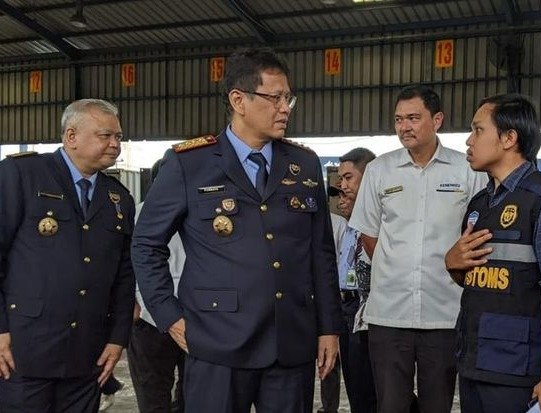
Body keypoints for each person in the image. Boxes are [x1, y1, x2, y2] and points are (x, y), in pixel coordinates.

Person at [131, 48, 343, 413]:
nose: (285, 107)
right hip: (217, 343)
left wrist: (329, 328)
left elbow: (320, 253)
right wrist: (169, 316)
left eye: (288, 97)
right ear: (238, 100)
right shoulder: (189, 164)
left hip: (290, 343)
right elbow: (146, 244)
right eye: (274, 97)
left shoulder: (304, 164)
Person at [445, 93, 541, 413]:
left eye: (478, 130)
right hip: (475, 360)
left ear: (509, 138)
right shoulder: (480, 204)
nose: (469, 140)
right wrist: (451, 263)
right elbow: (477, 276)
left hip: (520, 369)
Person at [349, 85, 486, 413]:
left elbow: (479, 234)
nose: (404, 127)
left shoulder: (466, 170)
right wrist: (396, 267)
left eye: (413, 118)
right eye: (398, 119)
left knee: (436, 405)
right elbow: (369, 234)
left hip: (444, 313)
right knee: (390, 405)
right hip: (388, 314)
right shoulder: (380, 170)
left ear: (437, 120)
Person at [0, 98, 135, 412]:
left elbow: (124, 275)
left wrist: (118, 339)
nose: (116, 144)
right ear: (71, 136)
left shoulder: (118, 198)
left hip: (87, 357)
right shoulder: (23, 175)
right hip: (23, 350)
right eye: (106, 136)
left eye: (118, 137)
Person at [128, 156, 186, 413]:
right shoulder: (135, 213)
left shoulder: (139, 211)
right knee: (160, 391)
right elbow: (122, 263)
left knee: (157, 391)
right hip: (150, 317)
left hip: (179, 315)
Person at [333, 148, 378, 413]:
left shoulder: (379, 221)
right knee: (355, 390)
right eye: (341, 179)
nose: (343, 185)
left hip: (369, 314)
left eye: (349, 178)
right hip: (347, 310)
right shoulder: (350, 225)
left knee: (371, 390)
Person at [319, 208, 347, 413]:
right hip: (304, 301)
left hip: (331, 297)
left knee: (329, 358)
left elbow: (341, 263)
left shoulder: (338, 224)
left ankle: (330, 407)